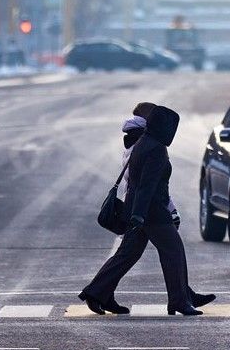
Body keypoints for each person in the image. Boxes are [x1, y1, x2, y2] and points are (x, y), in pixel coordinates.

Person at [79, 103, 211, 317]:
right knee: (173, 251)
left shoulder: (145, 143)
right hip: (152, 212)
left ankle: (97, 293)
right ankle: (179, 301)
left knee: (128, 254)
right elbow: (146, 186)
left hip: (140, 210)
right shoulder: (156, 148)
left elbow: (142, 184)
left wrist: (135, 215)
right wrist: (140, 215)